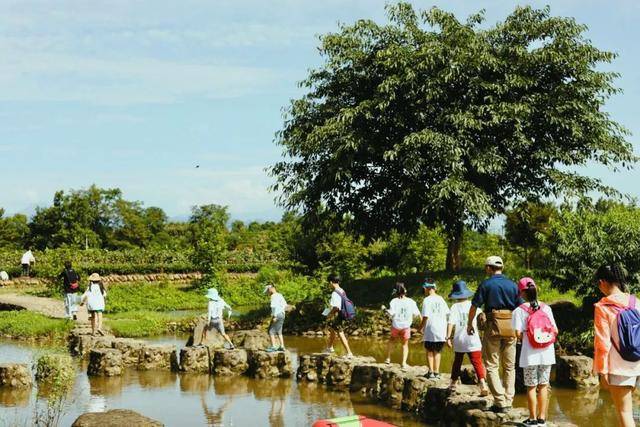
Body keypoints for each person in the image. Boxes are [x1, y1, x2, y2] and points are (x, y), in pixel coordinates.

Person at [467, 256, 520, 413]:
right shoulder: (512, 285)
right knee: (510, 366)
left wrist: (470, 324)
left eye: (486, 268)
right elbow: (521, 307)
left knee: (491, 365)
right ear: (501, 268)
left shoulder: (486, 284)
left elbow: (474, 305)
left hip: (493, 327)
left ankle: (500, 401)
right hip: (511, 327)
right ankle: (509, 400)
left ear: (489, 268)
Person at [593, 263, 640, 427]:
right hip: (636, 363)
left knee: (625, 413)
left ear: (603, 282)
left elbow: (602, 343)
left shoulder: (602, 306)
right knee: (627, 411)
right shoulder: (636, 302)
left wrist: (602, 371)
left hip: (618, 366)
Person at [512, 278, 558, 427]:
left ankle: (532, 419)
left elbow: (517, 334)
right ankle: (542, 419)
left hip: (530, 354)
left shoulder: (519, 311)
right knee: (544, 385)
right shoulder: (546, 308)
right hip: (547, 353)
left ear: (521, 293)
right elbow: (555, 331)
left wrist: (528, 336)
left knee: (531, 386)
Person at [446, 280, 489, 396]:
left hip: (459, 339)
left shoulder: (454, 307)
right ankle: (483, 384)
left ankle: (453, 384)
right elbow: (482, 321)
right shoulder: (474, 306)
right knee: (477, 363)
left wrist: (448, 337)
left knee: (457, 362)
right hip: (473, 338)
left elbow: (451, 323)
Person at [383, 282, 421, 369]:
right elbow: (417, 314)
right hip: (406, 327)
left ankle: (388, 359)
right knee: (405, 345)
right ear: (405, 290)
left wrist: (385, 309)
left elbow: (391, 313)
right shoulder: (411, 302)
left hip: (396, 326)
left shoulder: (393, 301)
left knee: (391, 340)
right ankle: (403, 363)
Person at [420, 276, 450, 379]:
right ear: (435, 287)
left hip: (430, 328)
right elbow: (447, 313)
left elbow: (425, 316)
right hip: (441, 328)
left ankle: (431, 372)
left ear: (425, 288)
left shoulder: (426, 300)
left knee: (429, 350)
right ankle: (437, 372)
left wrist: (421, 328)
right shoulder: (441, 299)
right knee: (437, 350)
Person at [324, 273, 354, 357]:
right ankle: (329, 347)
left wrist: (329, 314)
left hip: (338, 315)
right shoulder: (341, 290)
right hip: (343, 314)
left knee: (340, 333)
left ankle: (349, 353)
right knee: (333, 329)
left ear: (330, 282)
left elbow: (336, 307)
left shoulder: (334, 293)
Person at [265, 283, 287, 352]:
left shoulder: (273, 296)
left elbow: (273, 307)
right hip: (282, 314)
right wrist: (282, 312)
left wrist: (274, 316)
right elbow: (285, 305)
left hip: (277, 315)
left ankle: (274, 346)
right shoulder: (280, 295)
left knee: (271, 331)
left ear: (270, 289)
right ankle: (282, 346)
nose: (267, 293)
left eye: (267, 291)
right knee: (279, 331)